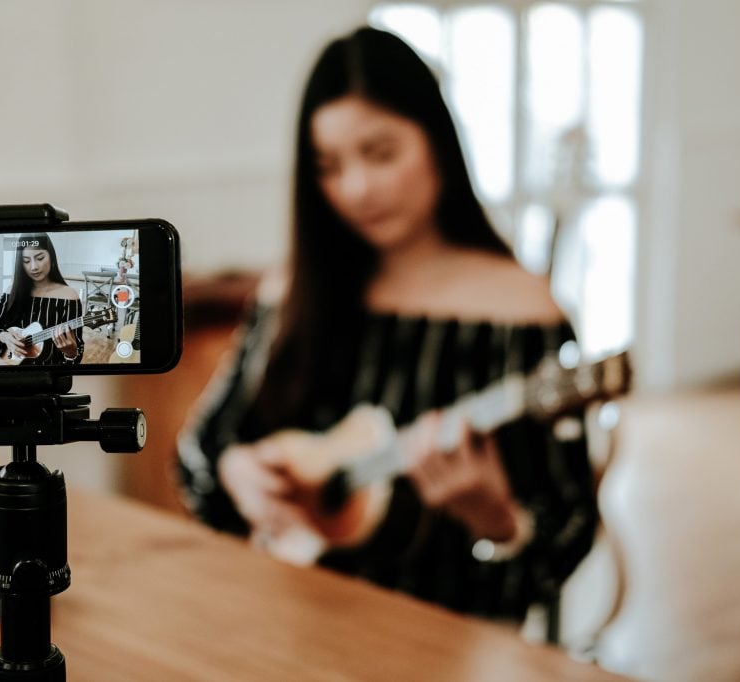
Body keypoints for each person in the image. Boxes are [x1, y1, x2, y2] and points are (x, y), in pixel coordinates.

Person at [177, 27, 597, 622]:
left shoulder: (521, 314)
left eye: (380, 153)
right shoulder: (294, 289)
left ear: (438, 143)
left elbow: (566, 536)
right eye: (328, 166)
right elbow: (200, 448)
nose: (357, 189)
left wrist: (496, 518)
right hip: (283, 619)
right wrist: (234, 472)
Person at [0, 233, 85, 365]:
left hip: (48, 376)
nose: (34, 267)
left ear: (51, 255)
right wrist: (4, 336)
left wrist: (71, 353)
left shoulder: (69, 296)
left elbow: (77, 349)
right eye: (26, 261)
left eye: (40, 258)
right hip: (10, 369)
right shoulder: (11, 291)